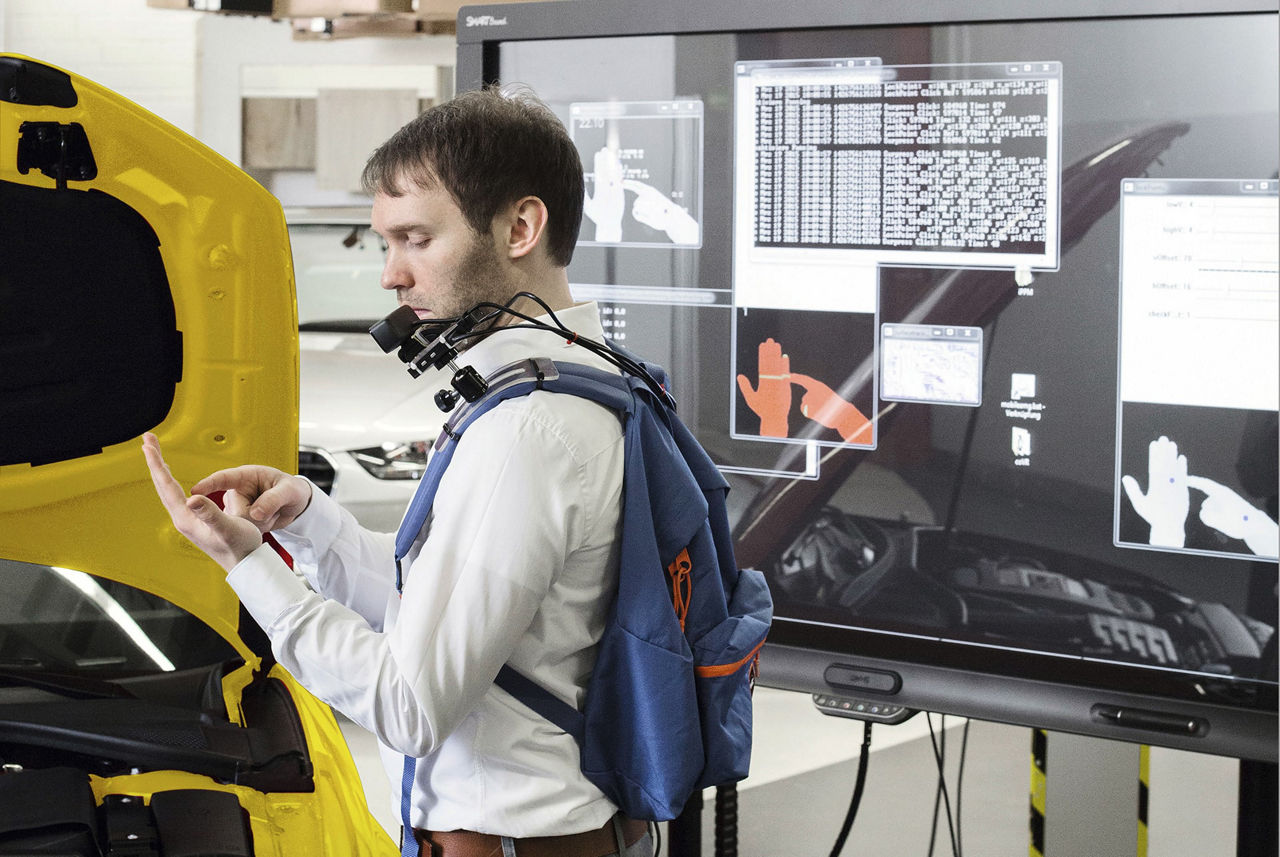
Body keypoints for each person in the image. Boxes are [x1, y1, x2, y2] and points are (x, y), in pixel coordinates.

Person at [142, 86, 653, 857]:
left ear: (520, 226)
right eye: (387, 243)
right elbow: (444, 609)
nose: (391, 275)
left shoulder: (529, 430)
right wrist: (312, 521)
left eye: (415, 238)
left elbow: (409, 702)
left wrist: (249, 567)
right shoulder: (572, 383)